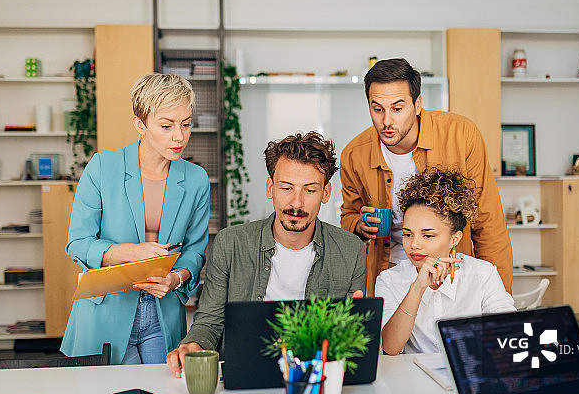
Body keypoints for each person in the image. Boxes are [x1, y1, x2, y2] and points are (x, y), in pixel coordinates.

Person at [166, 131, 366, 377]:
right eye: (286, 187)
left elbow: (352, 343)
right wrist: (193, 345)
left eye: (310, 190)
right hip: (245, 372)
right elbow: (210, 321)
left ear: (326, 194)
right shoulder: (231, 243)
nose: (296, 203)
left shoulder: (351, 250)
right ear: (271, 188)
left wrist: (354, 327)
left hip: (315, 378)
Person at [62, 73, 210, 365]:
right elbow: (77, 243)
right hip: (107, 310)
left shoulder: (196, 179)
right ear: (140, 124)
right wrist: (133, 252)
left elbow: (194, 250)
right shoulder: (103, 167)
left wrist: (176, 278)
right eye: (166, 126)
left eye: (186, 124)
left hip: (162, 311)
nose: (179, 136)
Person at [340, 57, 512, 295]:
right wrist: (358, 225)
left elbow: (488, 223)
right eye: (377, 109)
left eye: (397, 108)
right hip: (389, 276)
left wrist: (500, 298)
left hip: (452, 272)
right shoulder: (354, 154)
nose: (386, 121)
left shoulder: (461, 135)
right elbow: (348, 216)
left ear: (417, 104)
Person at [377, 166, 515, 355]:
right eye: (408, 234)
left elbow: (507, 334)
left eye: (428, 236)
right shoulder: (389, 279)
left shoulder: (483, 274)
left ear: (454, 239)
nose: (414, 245)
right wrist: (417, 288)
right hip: (413, 380)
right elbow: (390, 348)